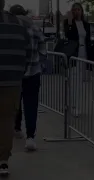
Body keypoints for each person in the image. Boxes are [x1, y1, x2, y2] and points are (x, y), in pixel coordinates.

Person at [9, 4, 46, 151]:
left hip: (16, 72)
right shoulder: (34, 26)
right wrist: (40, 63)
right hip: (33, 71)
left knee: (15, 102)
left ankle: (17, 128)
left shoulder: (13, 26)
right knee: (31, 105)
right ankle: (30, 137)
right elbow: (43, 48)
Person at [0, 0, 30, 176]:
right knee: (6, 121)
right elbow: (26, 50)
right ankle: (3, 161)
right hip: (12, 80)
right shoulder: (18, 23)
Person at [64, 2, 92, 116]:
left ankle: (75, 104)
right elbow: (68, 35)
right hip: (73, 54)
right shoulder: (68, 23)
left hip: (83, 53)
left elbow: (88, 40)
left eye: (78, 9)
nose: (76, 11)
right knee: (73, 81)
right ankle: (72, 106)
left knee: (80, 82)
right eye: (74, 10)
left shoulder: (86, 24)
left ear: (81, 11)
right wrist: (70, 22)